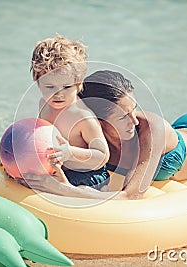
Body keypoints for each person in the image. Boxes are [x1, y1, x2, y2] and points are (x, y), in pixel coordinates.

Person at [23, 18, 187, 200]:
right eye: (123, 116)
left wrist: (56, 189)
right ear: (100, 121)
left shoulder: (150, 126)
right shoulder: (87, 128)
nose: (135, 119)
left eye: (134, 108)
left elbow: (130, 197)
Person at [28, 35, 110, 190]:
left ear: (78, 84)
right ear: (37, 82)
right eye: (50, 87)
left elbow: (102, 156)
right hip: (58, 167)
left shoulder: (82, 116)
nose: (58, 94)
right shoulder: (44, 104)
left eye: (67, 87)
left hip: (87, 175)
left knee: (47, 188)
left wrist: (70, 152)